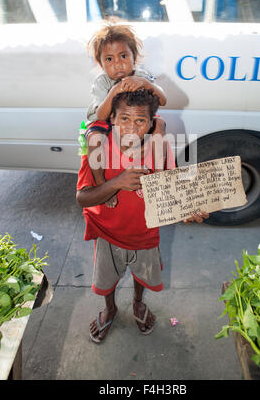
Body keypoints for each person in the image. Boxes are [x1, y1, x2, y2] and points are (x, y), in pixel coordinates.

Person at [76, 89, 209, 343]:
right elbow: (82, 198)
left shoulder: (159, 147)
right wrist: (117, 182)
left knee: (142, 276)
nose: (131, 127)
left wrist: (188, 209)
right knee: (108, 280)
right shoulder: (98, 149)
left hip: (146, 234)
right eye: (124, 119)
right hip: (108, 234)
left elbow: (171, 190)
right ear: (112, 118)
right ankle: (111, 308)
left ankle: (137, 303)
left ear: (151, 123)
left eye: (140, 121)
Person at [85, 19, 167, 209]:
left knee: (160, 125)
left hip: (135, 118)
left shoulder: (141, 75)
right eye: (109, 59)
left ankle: (160, 177)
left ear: (134, 56)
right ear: (100, 63)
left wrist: (147, 85)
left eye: (123, 56)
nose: (118, 64)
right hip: (104, 119)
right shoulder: (102, 83)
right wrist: (114, 91)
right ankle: (100, 183)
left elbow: (163, 101)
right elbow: (102, 114)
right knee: (94, 138)